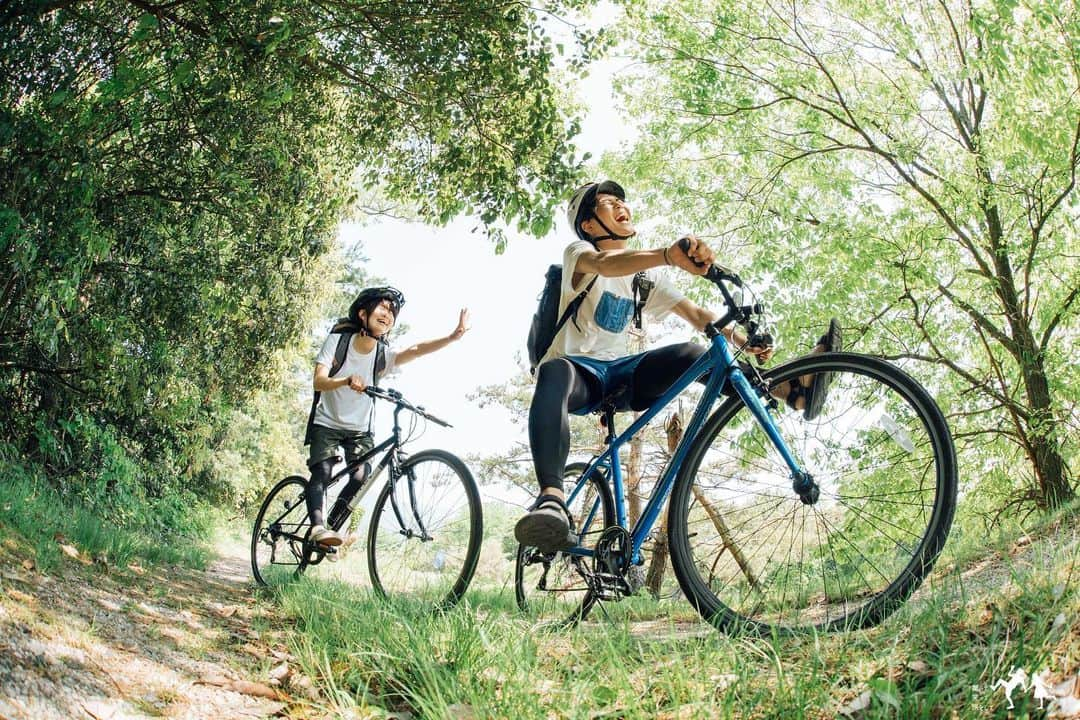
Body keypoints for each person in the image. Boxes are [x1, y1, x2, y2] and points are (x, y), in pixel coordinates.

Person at [514, 180, 841, 552]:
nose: (621, 206)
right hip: (577, 377)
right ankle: (553, 501)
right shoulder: (580, 252)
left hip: (622, 375)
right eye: (608, 203)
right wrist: (668, 254)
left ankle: (789, 389)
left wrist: (743, 341)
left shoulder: (646, 277)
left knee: (690, 352)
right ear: (589, 224)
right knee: (554, 370)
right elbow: (605, 264)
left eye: (622, 200)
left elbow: (696, 314)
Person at [305, 286, 470, 547]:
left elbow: (416, 350)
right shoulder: (338, 342)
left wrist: (452, 337)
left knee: (361, 478)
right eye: (382, 307)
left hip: (359, 429)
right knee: (323, 472)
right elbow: (319, 381)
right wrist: (345, 380)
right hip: (327, 421)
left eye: (392, 311)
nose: (388, 314)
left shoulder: (382, 355)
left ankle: (331, 533)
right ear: (363, 313)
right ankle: (316, 528)